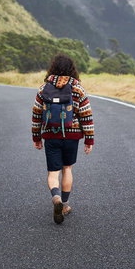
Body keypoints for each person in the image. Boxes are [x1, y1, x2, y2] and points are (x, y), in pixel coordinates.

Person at [31, 54, 94, 224]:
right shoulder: (77, 89)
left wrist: (36, 136)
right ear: (72, 69)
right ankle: (65, 204)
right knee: (67, 169)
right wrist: (89, 139)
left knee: (53, 172)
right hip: (71, 136)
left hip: (51, 135)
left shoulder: (43, 89)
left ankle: (56, 198)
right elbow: (86, 115)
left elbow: (36, 115)